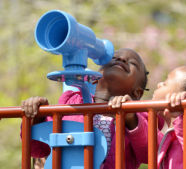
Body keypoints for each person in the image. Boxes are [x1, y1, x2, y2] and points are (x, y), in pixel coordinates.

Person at [21, 48, 150, 169]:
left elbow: (149, 152)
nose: (121, 59)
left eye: (132, 63)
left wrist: (131, 118)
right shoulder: (72, 103)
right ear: (95, 78)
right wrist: (35, 116)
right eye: (114, 57)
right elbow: (37, 147)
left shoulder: (138, 116)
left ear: (137, 93)